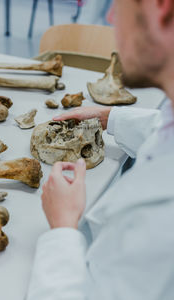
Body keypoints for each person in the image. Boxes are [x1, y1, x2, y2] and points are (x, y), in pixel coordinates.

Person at [27, 0, 174, 299]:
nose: (109, 17)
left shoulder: (161, 224)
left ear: (161, 7)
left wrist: (64, 227)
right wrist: (111, 118)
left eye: (118, 7)